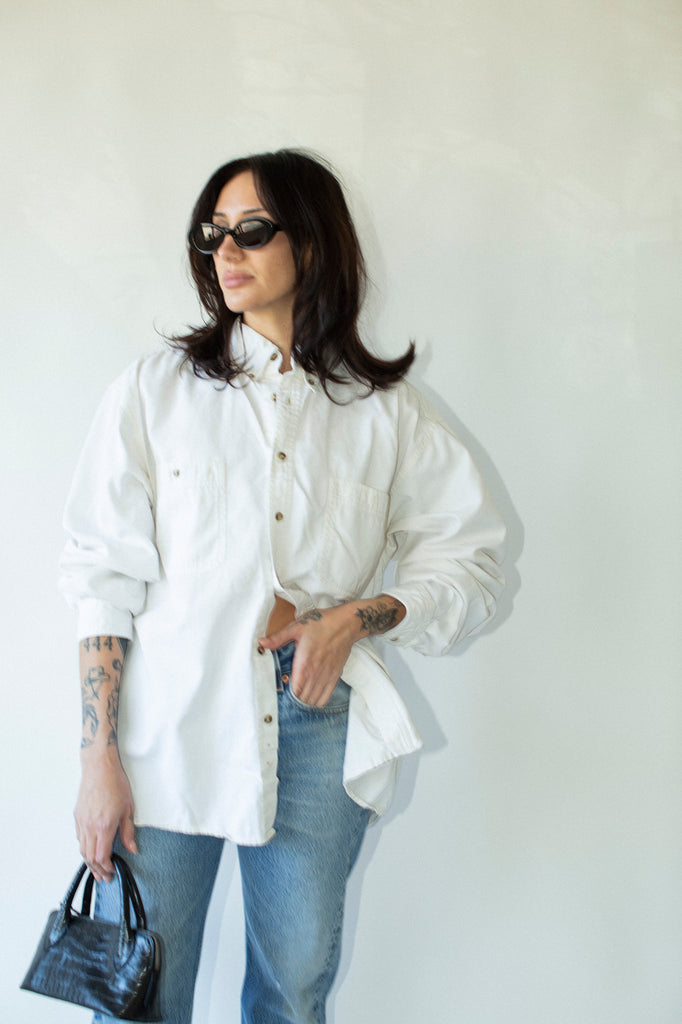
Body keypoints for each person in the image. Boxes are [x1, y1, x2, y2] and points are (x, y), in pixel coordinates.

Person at [60, 149, 507, 1024]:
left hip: (315, 729)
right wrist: (97, 758)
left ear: (313, 242)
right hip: (165, 727)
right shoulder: (153, 395)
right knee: (137, 998)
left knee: (294, 992)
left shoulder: (386, 412)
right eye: (213, 233)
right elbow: (101, 579)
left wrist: (356, 617)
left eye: (251, 231)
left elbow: (471, 564)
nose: (225, 250)